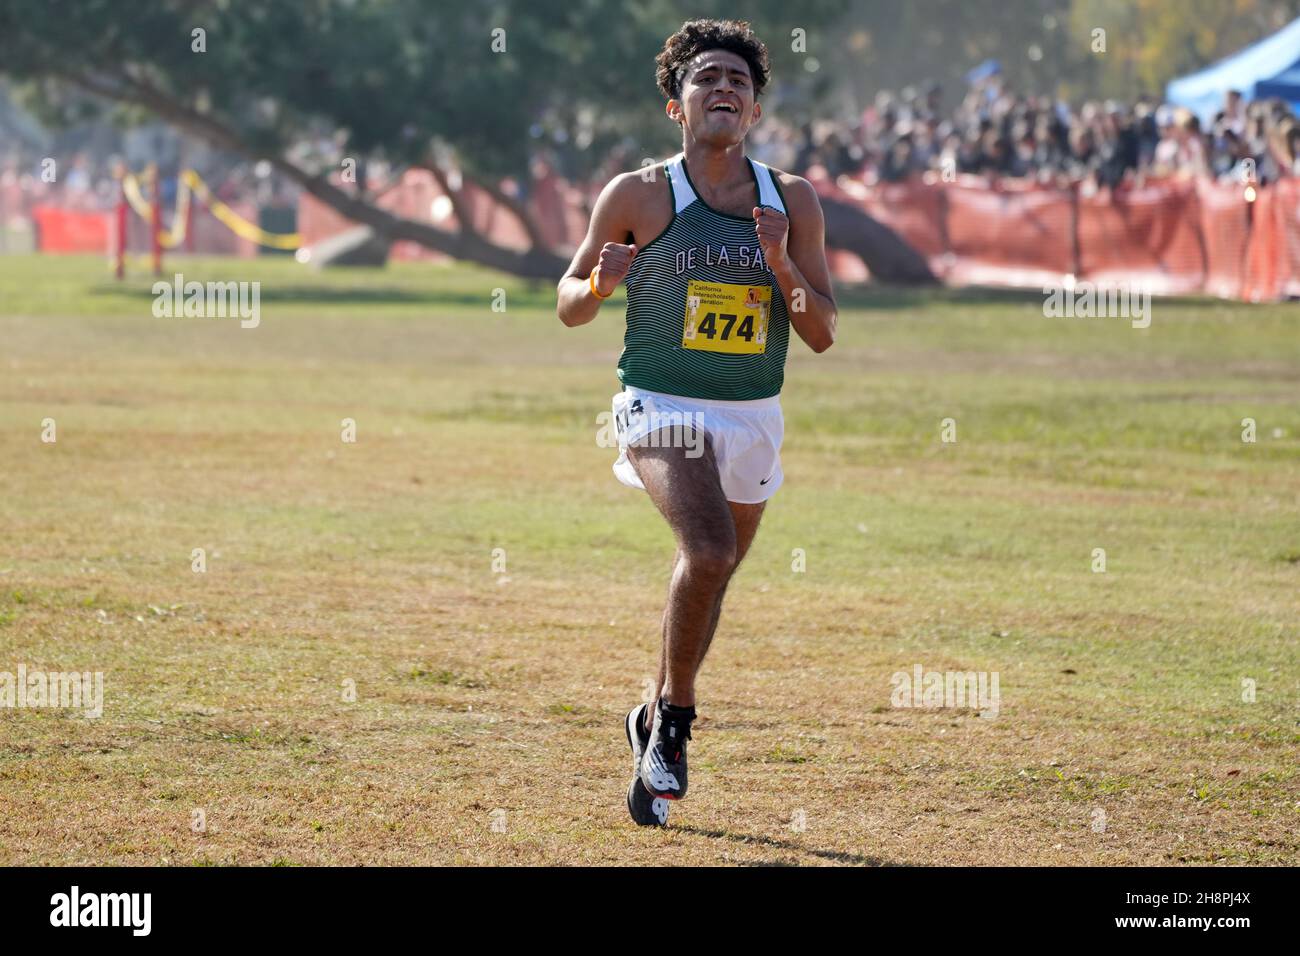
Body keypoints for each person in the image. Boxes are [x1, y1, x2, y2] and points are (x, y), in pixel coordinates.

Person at [555, 18, 837, 826]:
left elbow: (819, 331)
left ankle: (650, 718)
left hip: (752, 413)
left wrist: (781, 262)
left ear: (753, 110)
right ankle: (676, 724)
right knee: (707, 548)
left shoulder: (794, 201)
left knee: (711, 577)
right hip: (658, 401)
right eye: (706, 78)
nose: (724, 88)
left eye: (739, 82)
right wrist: (601, 285)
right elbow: (569, 306)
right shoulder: (638, 195)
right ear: (677, 106)